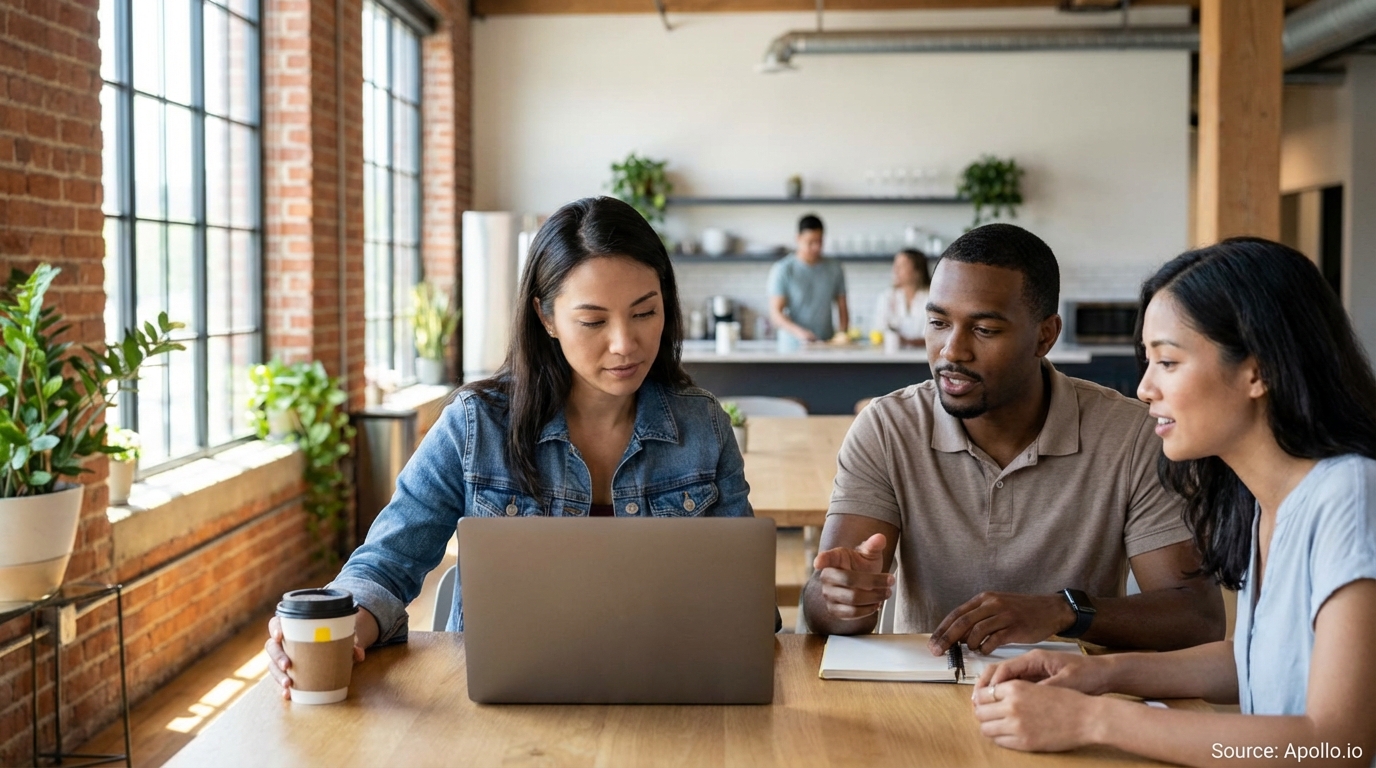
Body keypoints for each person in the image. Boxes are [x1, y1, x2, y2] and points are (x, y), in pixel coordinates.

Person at [264, 196, 763, 699]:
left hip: (671, 697)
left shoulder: (703, 427)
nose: (624, 343)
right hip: (507, 707)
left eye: (645, 312)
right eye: (593, 321)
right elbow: (386, 564)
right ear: (545, 317)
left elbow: (750, 607)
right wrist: (340, 625)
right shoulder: (474, 425)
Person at [971, 238, 1376, 765]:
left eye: (1167, 361)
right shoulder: (1264, 502)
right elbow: (1256, 662)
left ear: (1258, 370)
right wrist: (1098, 674)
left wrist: (1096, 719)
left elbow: (1336, 742)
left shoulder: (1351, 495)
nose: (1144, 388)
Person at [803, 222, 1224, 653]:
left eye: (984, 330)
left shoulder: (1132, 437)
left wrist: (1065, 611)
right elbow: (819, 610)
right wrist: (840, 597)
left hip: (1076, 697)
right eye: (938, 322)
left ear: (1045, 335)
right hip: (920, 692)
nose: (951, 351)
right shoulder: (887, 429)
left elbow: (1196, 617)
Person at [767, 214, 848, 344]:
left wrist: (842, 335)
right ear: (798, 239)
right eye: (810, 242)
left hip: (826, 344)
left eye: (819, 241)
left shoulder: (835, 268)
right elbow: (776, 313)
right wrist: (800, 333)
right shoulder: (783, 269)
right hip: (792, 345)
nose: (816, 247)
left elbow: (842, 307)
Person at [870, 248, 930, 346]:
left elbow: (936, 336)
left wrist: (906, 341)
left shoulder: (931, 297)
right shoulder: (887, 297)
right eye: (895, 265)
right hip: (893, 357)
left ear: (918, 270)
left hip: (924, 358)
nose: (895, 270)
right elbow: (878, 332)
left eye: (902, 266)